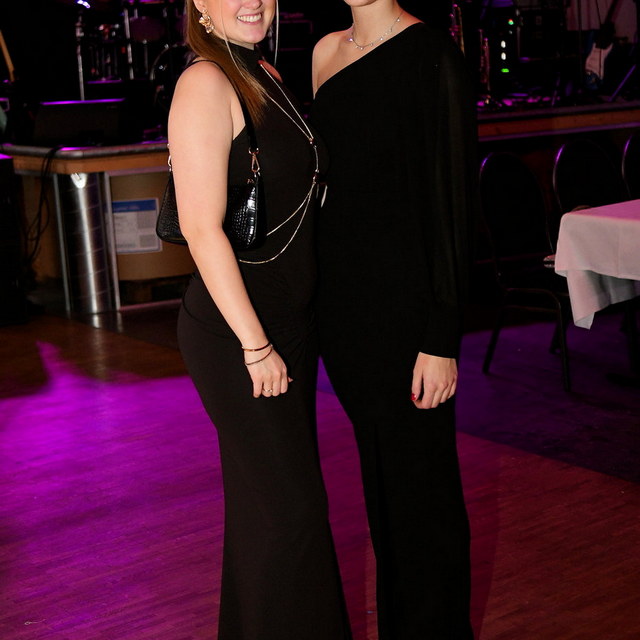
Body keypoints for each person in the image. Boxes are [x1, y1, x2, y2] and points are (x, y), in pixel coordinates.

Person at [170, 1, 352, 638]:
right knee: (291, 514)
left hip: (286, 324)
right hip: (238, 332)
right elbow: (200, 227)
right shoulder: (205, 81)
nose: (253, 1)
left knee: (264, 515)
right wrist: (255, 344)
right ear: (200, 3)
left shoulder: (264, 72)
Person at [310, 1, 477, 638]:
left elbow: (453, 204)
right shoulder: (324, 52)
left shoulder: (434, 57)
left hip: (410, 320)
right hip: (343, 316)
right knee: (382, 494)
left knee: (423, 499)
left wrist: (441, 337)